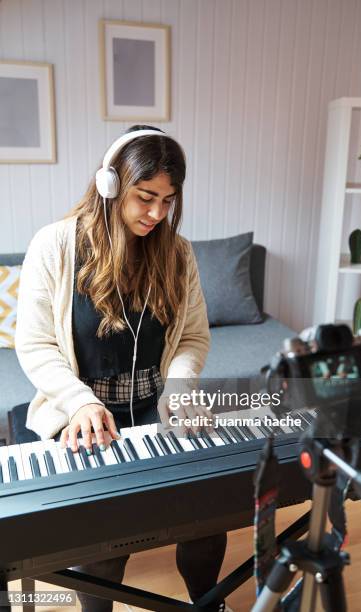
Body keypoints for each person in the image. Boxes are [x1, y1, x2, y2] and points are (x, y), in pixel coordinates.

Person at [15, 126, 230, 612]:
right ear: (111, 185)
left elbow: (193, 336)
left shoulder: (178, 253)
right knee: (103, 544)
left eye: (168, 201)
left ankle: (209, 602)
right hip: (83, 413)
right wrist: (79, 403)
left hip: (158, 410)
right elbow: (33, 343)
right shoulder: (54, 245)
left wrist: (179, 388)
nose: (157, 213)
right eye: (145, 197)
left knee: (208, 515)